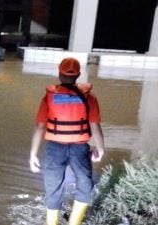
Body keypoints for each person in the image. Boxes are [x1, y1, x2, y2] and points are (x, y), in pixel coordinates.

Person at [28, 57, 105, 225]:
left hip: (55, 148)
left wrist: (33, 154)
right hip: (79, 148)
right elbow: (95, 127)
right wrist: (100, 149)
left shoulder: (49, 97)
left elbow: (39, 127)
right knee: (85, 185)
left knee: (52, 186)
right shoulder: (89, 98)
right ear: (78, 75)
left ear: (59, 74)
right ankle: (74, 223)